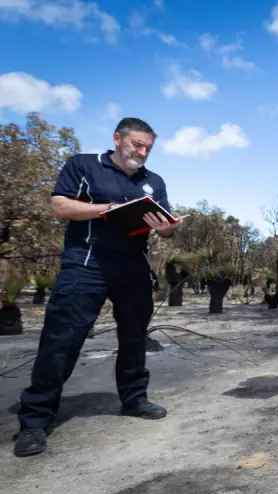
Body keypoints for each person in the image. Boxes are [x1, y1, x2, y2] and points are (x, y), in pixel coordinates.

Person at [13, 118, 183, 458]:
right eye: (137, 144)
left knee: (134, 338)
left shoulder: (154, 182)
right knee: (62, 340)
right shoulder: (84, 165)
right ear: (117, 139)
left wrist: (166, 229)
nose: (142, 152)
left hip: (133, 268)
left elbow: (164, 226)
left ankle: (134, 400)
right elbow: (60, 206)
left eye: (148, 148)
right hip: (86, 265)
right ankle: (35, 420)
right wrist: (108, 209)